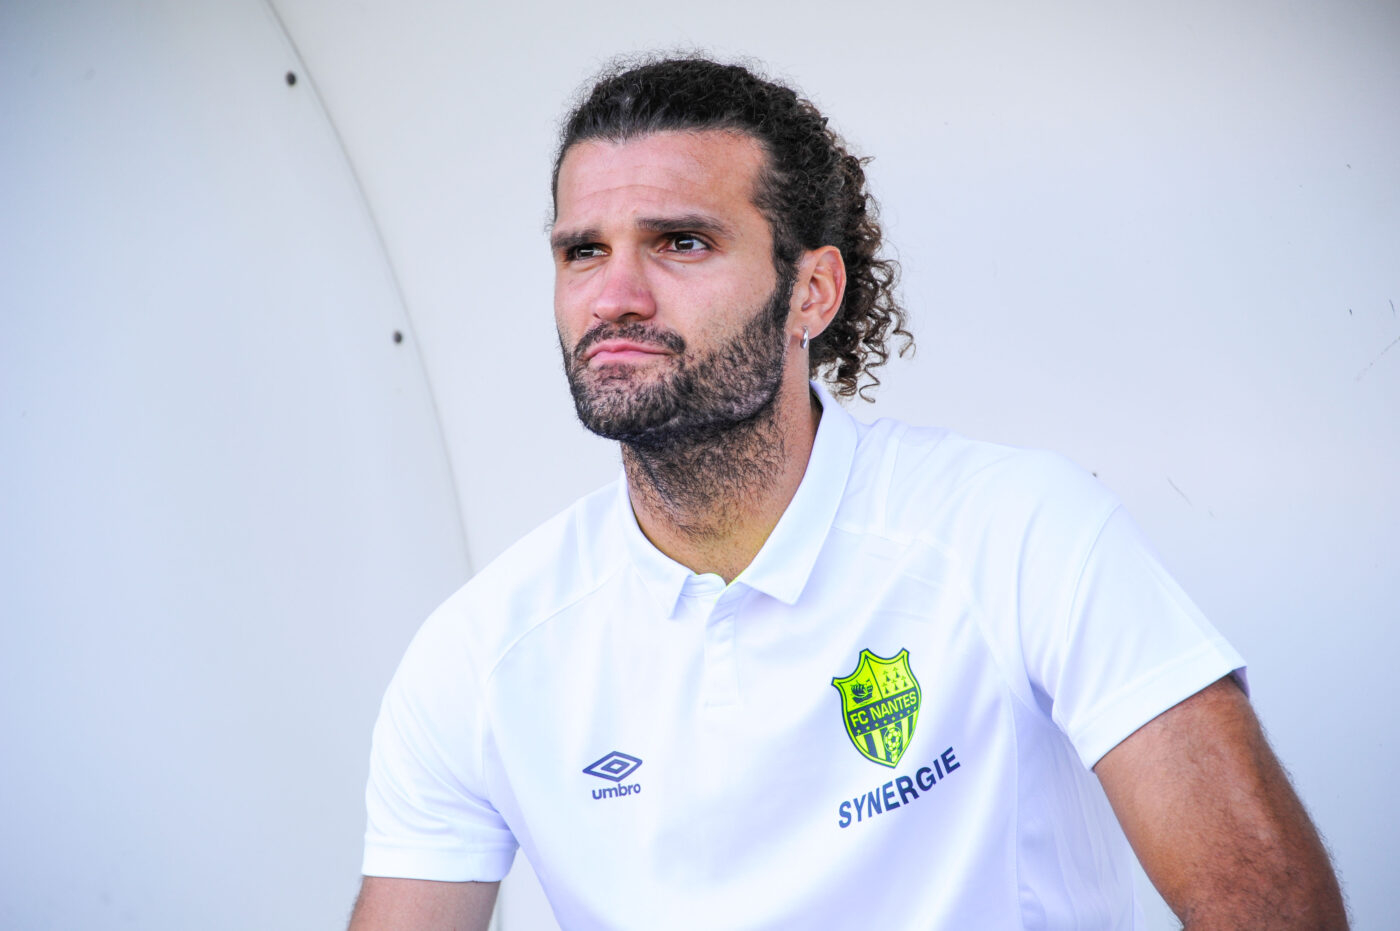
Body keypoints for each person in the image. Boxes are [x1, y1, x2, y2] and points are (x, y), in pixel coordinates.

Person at [349, 55, 1346, 930]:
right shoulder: (480, 653)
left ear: (811, 291)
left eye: (681, 242)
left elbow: (1267, 903)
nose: (615, 295)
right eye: (584, 251)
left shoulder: (1020, 534)